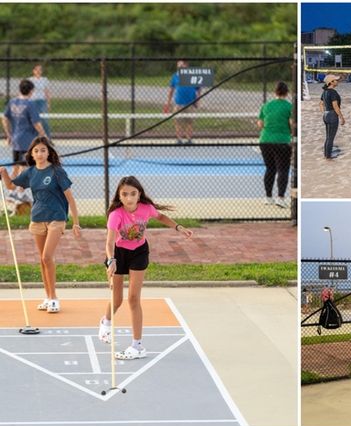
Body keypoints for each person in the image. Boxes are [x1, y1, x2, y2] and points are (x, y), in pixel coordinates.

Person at [98, 176, 193, 359]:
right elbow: (109, 243)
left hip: (139, 252)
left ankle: (137, 346)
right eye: (125, 194)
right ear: (119, 195)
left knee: (133, 299)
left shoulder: (146, 208)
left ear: (139, 194)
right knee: (117, 299)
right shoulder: (116, 214)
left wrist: (178, 227)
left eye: (133, 194)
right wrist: (111, 260)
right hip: (118, 254)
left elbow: (161, 216)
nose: (129, 198)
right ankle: (106, 321)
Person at [0, 137, 81, 313]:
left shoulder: (57, 171)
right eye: (36, 151)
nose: (39, 154)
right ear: (32, 154)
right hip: (37, 217)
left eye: (43, 150)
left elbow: (70, 198)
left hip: (57, 217)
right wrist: (4, 174)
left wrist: (76, 222)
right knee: (42, 260)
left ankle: (54, 298)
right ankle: (47, 297)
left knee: (47, 257)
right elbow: (11, 187)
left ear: (49, 152)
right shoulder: (30, 173)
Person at [2, 79, 47, 202]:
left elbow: (4, 118)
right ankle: (20, 194)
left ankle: (11, 192)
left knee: (16, 167)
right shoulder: (29, 104)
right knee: (25, 168)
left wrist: (8, 134)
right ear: (31, 91)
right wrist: (43, 136)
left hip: (16, 140)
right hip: (27, 140)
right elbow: (36, 123)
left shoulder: (12, 102)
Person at [256, 81, 294, 208]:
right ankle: (281, 197)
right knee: (283, 169)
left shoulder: (266, 106)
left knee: (270, 168)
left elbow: (260, 124)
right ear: (287, 92)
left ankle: (268, 197)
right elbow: (291, 123)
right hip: (282, 141)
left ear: (275, 92)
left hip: (265, 140)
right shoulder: (289, 107)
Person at [164, 60, 202, 145]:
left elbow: (198, 89)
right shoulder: (175, 76)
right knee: (178, 121)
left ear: (186, 66)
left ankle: (189, 139)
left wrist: (198, 100)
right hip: (178, 103)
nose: (180, 67)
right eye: (178, 66)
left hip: (190, 103)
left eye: (182, 65)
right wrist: (168, 102)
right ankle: (179, 139)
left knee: (190, 122)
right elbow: (171, 91)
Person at [319, 74, 344, 160]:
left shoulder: (325, 92)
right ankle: (328, 157)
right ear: (331, 82)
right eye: (336, 80)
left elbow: (321, 104)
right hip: (332, 115)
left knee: (328, 137)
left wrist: (324, 112)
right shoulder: (333, 92)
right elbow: (335, 106)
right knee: (330, 138)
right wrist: (341, 117)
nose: (337, 81)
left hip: (326, 115)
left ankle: (326, 155)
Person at [28, 64, 52, 138]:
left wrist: (48, 103)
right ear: (33, 71)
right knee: (33, 120)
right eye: (36, 69)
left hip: (42, 102)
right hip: (32, 101)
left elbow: (47, 92)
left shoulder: (44, 80)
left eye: (40, 70)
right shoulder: (30, 80)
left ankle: (48, 137)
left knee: (44, 120)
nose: (38, 71)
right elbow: (27, 92)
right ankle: (33, 137)